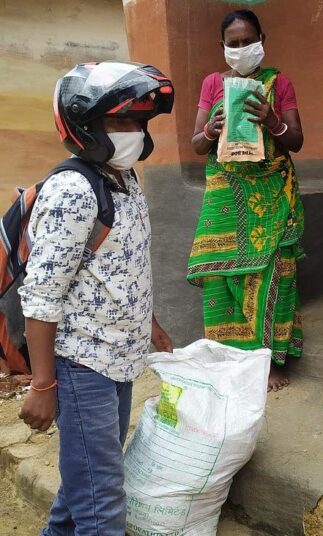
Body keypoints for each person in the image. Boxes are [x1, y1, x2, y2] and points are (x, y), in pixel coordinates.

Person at [17, 61, 175, 535]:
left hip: (119, 359)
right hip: (81, 365)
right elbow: (41, 298)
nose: (132, 133)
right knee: (102, 501)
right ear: (85, 127)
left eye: (137, 123)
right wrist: (43, 385)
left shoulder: (123, 179)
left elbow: (123, 266)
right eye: (119, 122)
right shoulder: (73, 190)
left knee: (83, 485)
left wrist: (150, 322)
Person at [188, 9, 304, 392]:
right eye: (233, 44)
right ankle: (231, 357)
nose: (241, 49)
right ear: (222, 47)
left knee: (273, 271)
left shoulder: (279, 83)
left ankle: (269, 360)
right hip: (226, 188)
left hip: (271, 189)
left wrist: (273, 122)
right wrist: (210, 128)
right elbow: (197, 144)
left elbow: (296, 142)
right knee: (221, 273)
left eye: (247, 41)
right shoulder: (212, 84)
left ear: (261, 40)